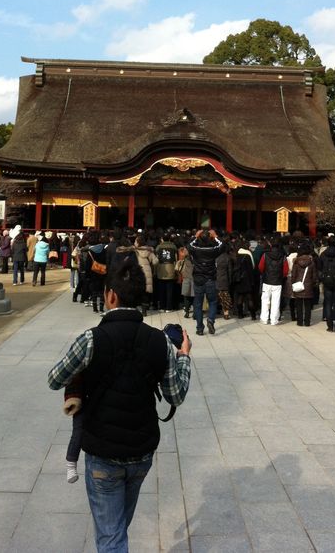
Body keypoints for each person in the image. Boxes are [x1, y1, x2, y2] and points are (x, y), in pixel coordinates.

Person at [48, 257, 192, 553]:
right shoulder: (160, 341)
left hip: (103, 452)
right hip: (141, 450)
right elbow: (175, 395)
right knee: (115, 530)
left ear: (110, 295)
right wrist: (184, 357)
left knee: (111, 535)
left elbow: (54, 378)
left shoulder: (91, 339)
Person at [187, 229, 223, 335]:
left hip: (198, 279)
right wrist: (216, 236)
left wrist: (195, 236)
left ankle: (199, 328)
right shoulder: (213, 249)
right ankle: (211, 320)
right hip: (210, 278)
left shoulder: (195, 248)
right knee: (212, 302)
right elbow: (222, 245)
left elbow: (188, 245)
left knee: (198, 304)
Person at [318, 236, 335, 332]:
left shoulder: (323, 254)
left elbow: (320, 268)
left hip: (326, 281)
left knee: (328, 304)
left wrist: (323, 277)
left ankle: (329, 326)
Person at [258, 237, 288, 326]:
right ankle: (274, 320)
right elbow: (286, 271)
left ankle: (264, 318)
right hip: (278, 282)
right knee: (276, 301)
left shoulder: (265, 255)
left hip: (267, 280)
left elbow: (260, 267)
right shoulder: (283, 256)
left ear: (270, 245)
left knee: (265, 300)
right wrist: (281, 276)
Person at [289, 242, 318, 327]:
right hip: (308, 285)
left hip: (298, 285)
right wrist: (312, 283)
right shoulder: (311, 262)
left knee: (298, 304)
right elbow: (314, 276)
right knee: (308, 305)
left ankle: (300, 321)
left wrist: (293, 283)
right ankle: (307, 322)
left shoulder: (296, 262)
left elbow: (293, 275)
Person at [154, 232, 178, 312]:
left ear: (162, 239)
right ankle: (169, 307)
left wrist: (155, 271)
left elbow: (156, 260)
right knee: (170, 290)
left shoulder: (159, 247)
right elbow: (176, 259)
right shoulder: (173, 246)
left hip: (161, 269)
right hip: (171, 268)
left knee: (161, 289)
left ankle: (162, 307)